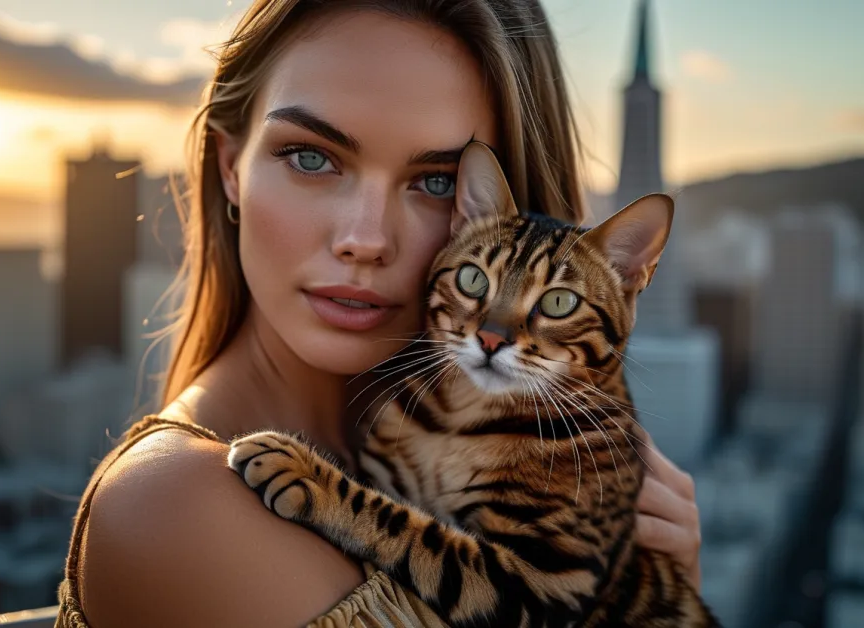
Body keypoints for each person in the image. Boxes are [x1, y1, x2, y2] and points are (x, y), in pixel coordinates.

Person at [56, 1, 703, 626]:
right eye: (311, 157)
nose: (364, 238)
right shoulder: (177, 506)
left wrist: (655, 595)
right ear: (231, 168)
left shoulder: (536, 469)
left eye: (437, 182)